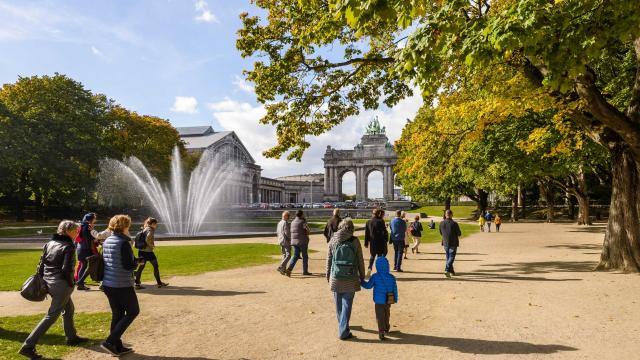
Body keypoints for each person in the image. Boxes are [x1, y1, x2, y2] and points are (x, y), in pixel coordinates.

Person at [19, 221, 88, 360]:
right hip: (61, 284)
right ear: (68, 231)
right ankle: (28, 346)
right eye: (75, 231)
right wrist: (71, 283)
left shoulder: (49, 243)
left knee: (68, 309)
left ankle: (71, 337)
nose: (77, 234)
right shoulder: (68, 246)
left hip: (49, 282)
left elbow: (41, 265)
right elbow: (66, 269)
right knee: (51, 316)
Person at [101, 215, 142, 356]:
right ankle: (110, 342)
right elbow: (127, 265)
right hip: (121, 283)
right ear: (125, 226)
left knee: (117, 313)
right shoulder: (124, 242)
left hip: (108, 283)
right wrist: (137, 263)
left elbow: (114, 260)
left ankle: (116, 346)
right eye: (128, 225)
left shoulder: (108, 240)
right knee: (133, 311)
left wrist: (132, 260)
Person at [326, 218, 365, 340]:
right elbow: (360, 260)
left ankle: (342, 325)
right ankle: (343, 330)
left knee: (338, 303)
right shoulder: (355, 241)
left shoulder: (333, 239)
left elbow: (329, 260)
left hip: (336, 277)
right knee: (347, 304)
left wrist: (328, 275)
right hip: (351, 276)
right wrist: (362, 275)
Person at [361, 256, 398, 341]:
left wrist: (361, 282)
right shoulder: (391, 277)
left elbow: (368, 286)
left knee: (380, 316)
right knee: (387, 314)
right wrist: (395, 298)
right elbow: (395, 289)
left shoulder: (375, 276)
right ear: (387, 266)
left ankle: (381, 331)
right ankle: (387, 327)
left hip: (378, 301)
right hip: (388, 300)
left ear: (377, 266)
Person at [74, 213, 110, 291]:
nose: (95, 220)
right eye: (94, 218)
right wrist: (97, 240)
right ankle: (80, 282)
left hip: (80, 249)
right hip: (87, 249)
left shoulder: (81, 225)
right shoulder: (88, 226)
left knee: (84, 266)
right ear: (91, 219)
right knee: (91, 265)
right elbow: (90, 238)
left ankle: (80, 283)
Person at [134, 218, 168, 289]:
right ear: (153, 224)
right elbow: (147, 239)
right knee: (155, 266)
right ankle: (159, 283)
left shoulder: (145, 228)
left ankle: (137, 284)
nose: (156, 226)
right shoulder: (150, 230)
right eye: (156, 224)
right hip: (148, 252)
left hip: (141, 251)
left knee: (141, 267)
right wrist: (152, 245)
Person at [364, 208, 388, 277]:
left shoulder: (368, 222)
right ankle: (379, 271)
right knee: (379, 257)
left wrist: (366, 243)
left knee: (372, 256)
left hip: (372, 242)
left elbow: (367, 233)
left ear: (373, 213)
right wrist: (386, 239)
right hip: (380, 242)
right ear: (378, 214)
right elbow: (384, 232)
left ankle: (369, 268)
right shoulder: (381, 221)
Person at [287, 210, 312, 276]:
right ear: (301, 215)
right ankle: (305, 271)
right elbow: (308, 231)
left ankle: (289, 269)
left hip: (294, 242)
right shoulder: (302, 222)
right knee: (305, 256)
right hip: (302, 241)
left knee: (295, 256)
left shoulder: (292, 222)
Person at [440, 210, 462, 278]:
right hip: (453, 242)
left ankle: (451, 271)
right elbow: (459, 233)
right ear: (451, 215)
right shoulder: (454, 223)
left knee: (448, 257)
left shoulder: (441, 223)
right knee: (451, 257)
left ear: (446, 215)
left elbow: (441, 233)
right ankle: (447, 270)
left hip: (445, 242)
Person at [276, 211, 291, 275]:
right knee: (288, 255)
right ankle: (281, 266)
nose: (289, 217)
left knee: (284, 255)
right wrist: (290, 239)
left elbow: (277, 232)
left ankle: (283, 270)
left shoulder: (279, 222)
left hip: (280, 240)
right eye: (288, 216)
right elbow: (287, 233)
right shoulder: (285, 223)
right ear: (286, 216)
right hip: (285, 241)